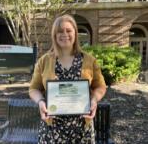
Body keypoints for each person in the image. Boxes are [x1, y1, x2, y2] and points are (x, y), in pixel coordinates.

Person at [29, 14, 106, 144]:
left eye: (68, 30)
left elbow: (100, 86)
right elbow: (34, 89)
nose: (64, 34)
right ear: (54, 35)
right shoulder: (44, 61)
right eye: (60, 31)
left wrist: (94, 100)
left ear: (75, 33)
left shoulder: (89, 60)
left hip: (82, 128)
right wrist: (41, 101)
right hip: (51, 129)